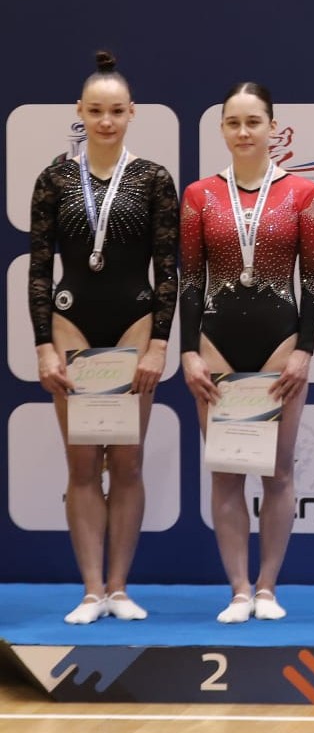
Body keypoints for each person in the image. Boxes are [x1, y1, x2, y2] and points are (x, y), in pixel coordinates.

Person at [28, 50, 178, 624]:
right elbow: (38, 269)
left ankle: (120, 587)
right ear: (80, 112)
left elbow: (168, 269)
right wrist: (44, 344)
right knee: (84, 464)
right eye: (96, 111)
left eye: (116, 111)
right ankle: (91, 591)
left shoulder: (154, 179)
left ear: (132, 112)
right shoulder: (54, 179)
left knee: (129, 462)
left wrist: (159, 343)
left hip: (134, 323)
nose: (106, 121)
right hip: (72, 322)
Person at [180, 82, 314, 624]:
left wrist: (304, 350)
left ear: (273, 128)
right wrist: (188, 353)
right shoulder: (199, 195)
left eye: (253, 122)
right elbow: (190, 282)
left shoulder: (302, 193)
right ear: (221, 128)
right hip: (215, 342)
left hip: (279, 343)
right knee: (226, 471)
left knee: (278, 471)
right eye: (233, 122)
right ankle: (239, 589)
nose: (243, 132)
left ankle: (267, 587)